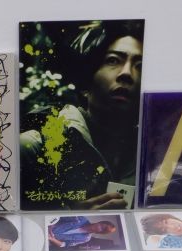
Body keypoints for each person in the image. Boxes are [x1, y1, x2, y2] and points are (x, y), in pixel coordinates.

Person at [21, 20, 144, 210]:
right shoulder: (32, 150)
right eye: (113, 60)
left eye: (140, 66)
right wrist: (71, 217)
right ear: (86, 83)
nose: (127, 73)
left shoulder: (152, 159)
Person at [48, 216, 116, 249]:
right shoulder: (81, 219)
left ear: (100, 233)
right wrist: (51, 226)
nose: (98, 227)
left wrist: (52, 239)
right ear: (99, 222)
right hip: (46, 225)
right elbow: (58, 217)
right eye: (101, 225)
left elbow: (64, 244)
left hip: (48, 240)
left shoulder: (86, 239)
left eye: (102, 229)